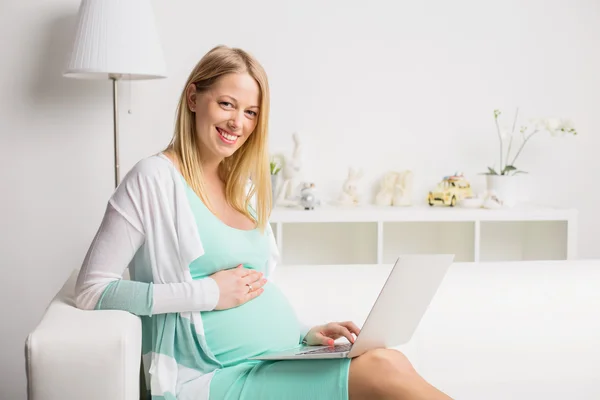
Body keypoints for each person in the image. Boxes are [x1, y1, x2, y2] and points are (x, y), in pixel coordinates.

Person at [74, 45, 453, 400]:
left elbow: (257, 288)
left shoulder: (244, 187)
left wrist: (306, 334)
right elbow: (91, 290)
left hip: (277, 357)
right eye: (227, 104)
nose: (237, 122)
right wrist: (208, 293)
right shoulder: (153, 178)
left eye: (251, 112)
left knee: (388, 359)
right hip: (212, 378)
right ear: (193, 98)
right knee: (381, 372)